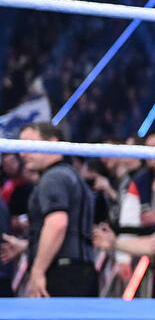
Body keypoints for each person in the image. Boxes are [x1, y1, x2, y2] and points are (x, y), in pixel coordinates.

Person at [17, 123, 97, 297]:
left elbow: (57, 224)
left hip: (62, 273)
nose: (22, 153)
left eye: (29, 144)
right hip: (79, 271)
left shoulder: (54, 177)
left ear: (52, 143)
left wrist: (38, 270)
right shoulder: (70, 175)